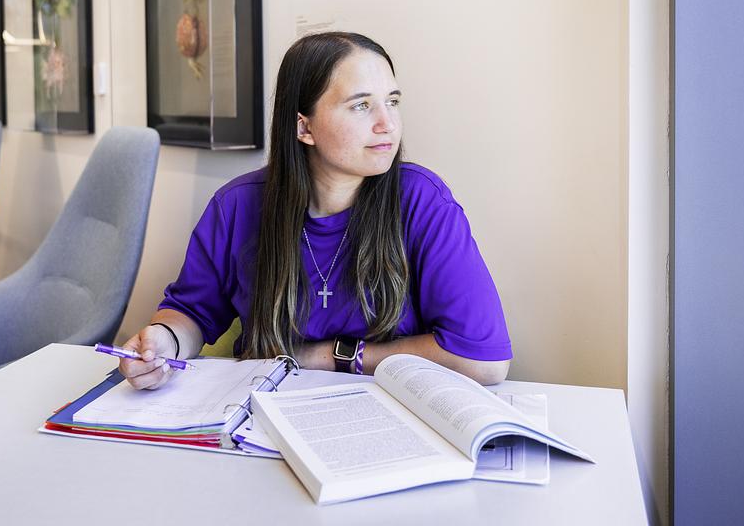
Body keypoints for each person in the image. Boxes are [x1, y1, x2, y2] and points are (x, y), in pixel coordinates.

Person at [119, 31, 512, 391]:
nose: (387, 124)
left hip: (387, 415)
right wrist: (163, 342)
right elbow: (190, 312)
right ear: (304, 128)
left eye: (392, 102)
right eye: (361, 106)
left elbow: (484, 360)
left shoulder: (422, 200)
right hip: (264, 413)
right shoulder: (236, 206)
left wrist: (323, 357)